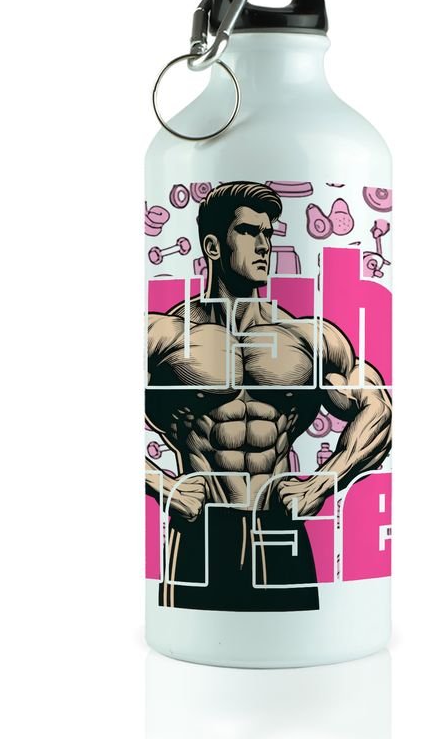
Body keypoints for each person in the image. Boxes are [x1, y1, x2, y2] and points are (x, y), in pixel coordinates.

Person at [146, 181, 391, 611]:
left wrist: (322, 484)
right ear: (213, 246)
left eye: (268, 233)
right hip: (201, 529)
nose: (264, 245)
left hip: (280, 527)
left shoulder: (307, 338)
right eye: (248, 232)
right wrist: (163, 486)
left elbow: (378, 408)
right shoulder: (165, 336)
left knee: (302, 640)